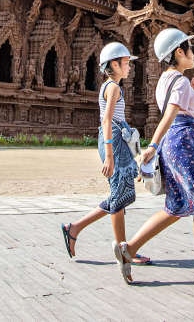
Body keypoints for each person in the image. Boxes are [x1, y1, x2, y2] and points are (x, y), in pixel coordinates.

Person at [111, 28, 194, 287]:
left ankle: (128, 248)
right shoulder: (180, 81)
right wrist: (152, 146)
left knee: (176, 205)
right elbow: (170, 114)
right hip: (185, 143)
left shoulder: (165, 81)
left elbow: (179, 110)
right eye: (190, 48)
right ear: (179, 52)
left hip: (175, 143)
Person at [60, 43, 152, 265]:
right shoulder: (113, 88)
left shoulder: (110, 86)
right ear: (114, 64)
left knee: (120, 194)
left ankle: (77, 229)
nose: (129, 67)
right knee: (119, 196)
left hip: (116, 140)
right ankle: (123, 249)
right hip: (114, 142)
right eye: (126, 63)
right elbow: (107, 120)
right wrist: (109, 155)